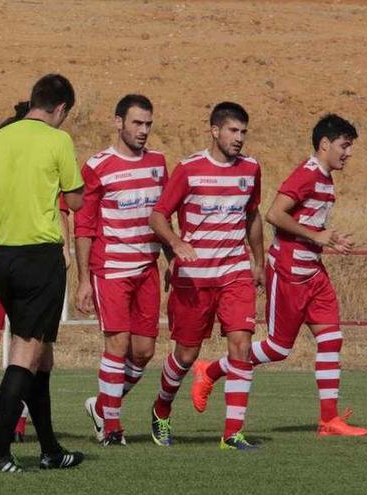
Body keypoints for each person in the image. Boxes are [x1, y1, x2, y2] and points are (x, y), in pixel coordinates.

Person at [191, 114, 367, 437]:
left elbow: (311, 226)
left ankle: (328, 420)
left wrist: (328, 238)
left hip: (313, 273)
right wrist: (316, 237)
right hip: (288, 273)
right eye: (345, 145)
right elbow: (274, 214)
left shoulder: (327, 178)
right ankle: (210, 370)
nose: (349, 153)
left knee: (331, 339)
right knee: (277, 349)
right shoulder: (307, 174)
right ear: (325, 144)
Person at [0, 74, 85, 472]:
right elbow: (74, 199)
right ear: (60, 109)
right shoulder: (58, 140)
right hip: (40, 257)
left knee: (42, 358)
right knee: (26, 354)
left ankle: (51, 450)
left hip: (4, 257)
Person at [148, 102, 264, 451]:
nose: (239, 138)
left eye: (243, 132)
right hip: (194, 277)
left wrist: (258, 262)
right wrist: (175, 242)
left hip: (234, 272)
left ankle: (232, 434)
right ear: (214, 130)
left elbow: (252, 216)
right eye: (232, 131)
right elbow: (157, 216)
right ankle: (162, 407)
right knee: (185, 355)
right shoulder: (188, 169)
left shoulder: (251, 169)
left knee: (241, 345)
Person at [73, 94, 168, 446]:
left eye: (148, 124)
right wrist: (83, 279)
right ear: (118, 123)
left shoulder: (158, 163)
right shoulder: (97, 166)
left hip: (147, 268)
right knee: (118, 342)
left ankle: (101, 405)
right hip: (110, 267)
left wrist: (173, 260)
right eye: (136, 123)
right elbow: (84, 225)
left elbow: (164, 216)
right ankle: (111, 426)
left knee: (143, 352)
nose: (143, 131)